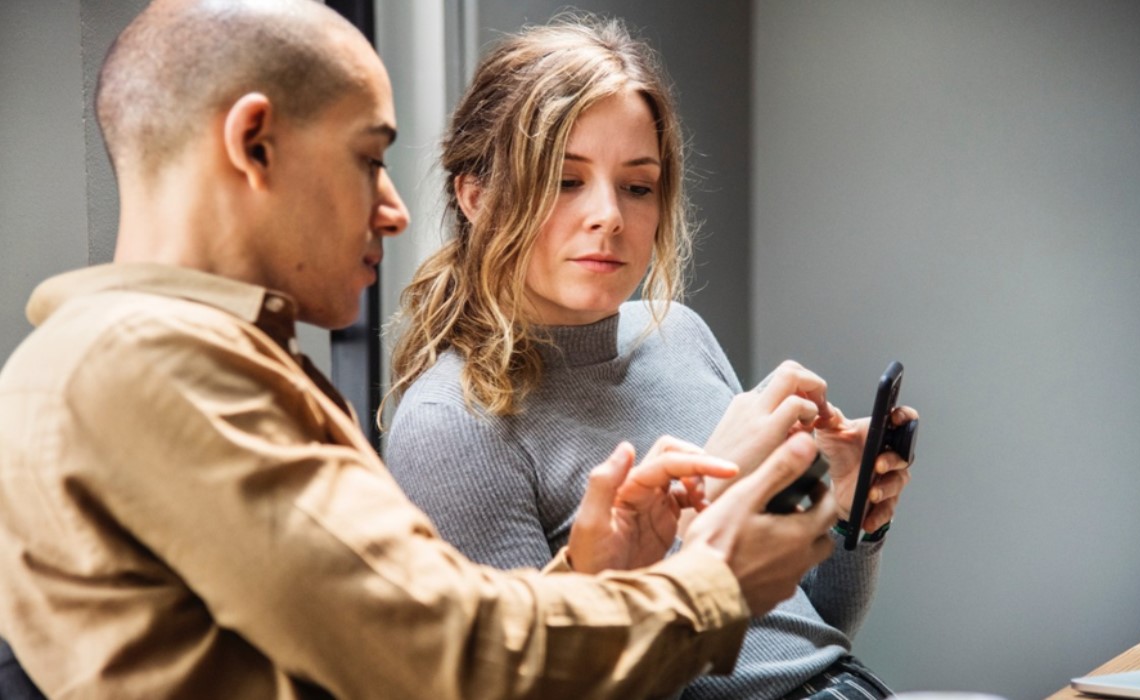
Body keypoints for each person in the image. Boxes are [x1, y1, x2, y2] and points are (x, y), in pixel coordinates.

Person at [0, 1, 845, 697]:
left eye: (637, 185)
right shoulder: (151, 366)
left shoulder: (182, 358)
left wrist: (591, 570)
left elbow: (395, 636)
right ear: (253, 144)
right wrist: (710, 582)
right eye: (370, 159)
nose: (396, 209)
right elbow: (437, 659)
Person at [383, 17, 918, 700]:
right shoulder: (450, 425)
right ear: (477, 196)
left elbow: (793, 641)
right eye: (565, 181)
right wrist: (707, 508)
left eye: (638, 186)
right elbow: (544, 689)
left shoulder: (679, 335)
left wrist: (845, 521)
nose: (609, 215)